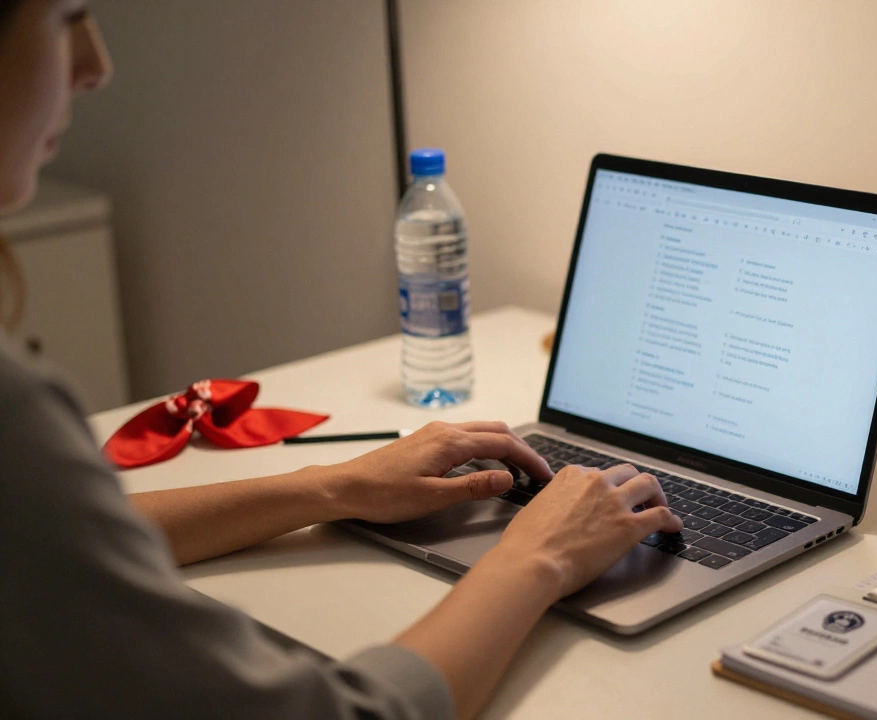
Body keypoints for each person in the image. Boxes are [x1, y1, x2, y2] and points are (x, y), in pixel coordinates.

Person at [0, 2, 683, 718]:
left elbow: (62, 546)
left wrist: (334, 487)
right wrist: (539, 557)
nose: (96, 67)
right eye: (67, 15)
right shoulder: (16, 412)